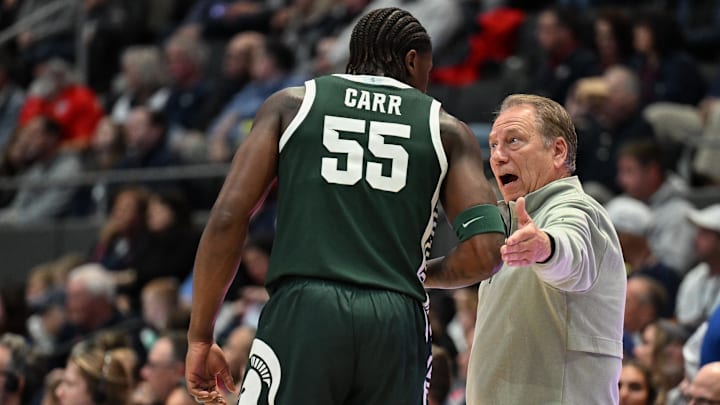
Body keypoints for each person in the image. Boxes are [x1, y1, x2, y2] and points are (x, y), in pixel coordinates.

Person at [185, 7, 505, 405]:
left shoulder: (292, 105)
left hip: (306, 311)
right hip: (396, 319)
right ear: (411, 61)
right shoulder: (447, 129)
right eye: (427, 69)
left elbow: (229, 217)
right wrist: (412, 277)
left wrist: (200, 334)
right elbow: (488, 252)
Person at [445, 94, 626, 404]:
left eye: (513, 141)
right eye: (492, 145)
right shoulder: (515, 224)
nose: (498, 156)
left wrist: (546, 248)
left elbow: (571, 253)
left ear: (557, 151)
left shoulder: (576, 209)